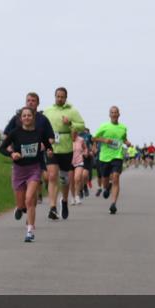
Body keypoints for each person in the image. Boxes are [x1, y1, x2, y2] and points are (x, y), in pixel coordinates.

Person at [0, 106, 53, 242]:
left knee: (29, 199)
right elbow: (2, 148)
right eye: (24, 116)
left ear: (33, 117)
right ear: (21, 118)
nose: (27, 118)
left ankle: (30, 230)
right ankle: (19, 207)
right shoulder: (15, 132)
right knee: (22, 204)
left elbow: (48, 145)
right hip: (19, 170)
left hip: (34, 169)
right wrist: (12, 154)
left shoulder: (39, 132)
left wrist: (49, 151)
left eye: (29, 115)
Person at [4, 92, 55, 207]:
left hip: (36, 157)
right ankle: (22, 206)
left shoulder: (43, 119)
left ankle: (31, 211)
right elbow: (6, 135)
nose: (30, 102)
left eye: (33, 100)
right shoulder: (17, 118)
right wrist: (10, 149)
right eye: (28, 100)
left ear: (38, 103)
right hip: (20, 157)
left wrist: (44, 145)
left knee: (34, 185)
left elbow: (51, 138)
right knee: (21, 186)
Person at [43, 87, 85, 219]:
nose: (60, 98)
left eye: (62, 96)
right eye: (58, 96)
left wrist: (71, 123)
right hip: (52, 147)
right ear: (54, 97)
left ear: (66, 98)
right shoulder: (48, 111)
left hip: (66, 148)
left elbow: (82, 125)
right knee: (52, 176)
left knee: (64, 179)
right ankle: (53, 207)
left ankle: (65, 201)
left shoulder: (72, 110)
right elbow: (42, 127)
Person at [92, 106, 133, 215]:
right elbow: (94, 138)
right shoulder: (104, 126)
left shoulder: (123, 127)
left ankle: (113, 204)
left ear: (119, 114)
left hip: (117, 156)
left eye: (116, 112)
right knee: (105, 181)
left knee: (116, 177)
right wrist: (104, 140)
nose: (114, 114)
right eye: (112, 112)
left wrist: (127, 142)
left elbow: (123, 138)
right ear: (109, 115)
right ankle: (106, 187)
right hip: (104, 157)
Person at [70, 128, 88, 205]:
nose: (74, 134)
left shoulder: (81, 139)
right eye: (72, 133)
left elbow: (85, 148)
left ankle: (77, 196)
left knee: (77, 178)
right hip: (69, 163)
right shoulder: (67, 140)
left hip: (79, 161)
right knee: (71, 181)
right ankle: (72, 197)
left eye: (75, 133)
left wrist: (85, 152)